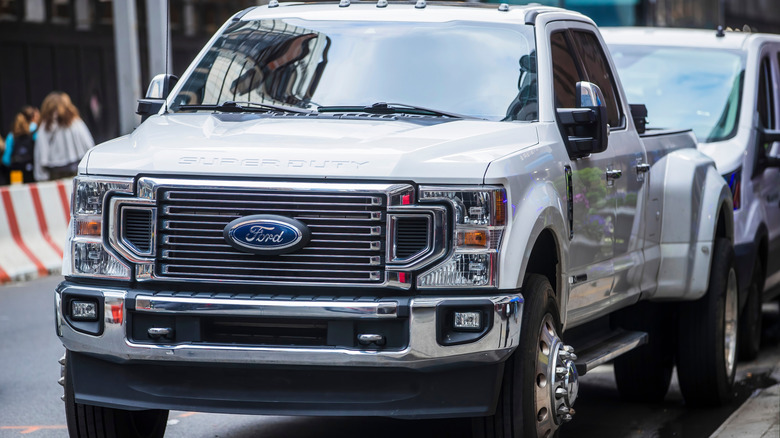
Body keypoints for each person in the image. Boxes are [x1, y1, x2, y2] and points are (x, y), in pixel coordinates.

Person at [34, 92, 94, 181]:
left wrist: (41, 175)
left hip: (54, 171)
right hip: (75, 167)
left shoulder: (45, 126)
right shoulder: (74, 122)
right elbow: (88, 143)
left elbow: (40, 152)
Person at [2, 106, 40, 183]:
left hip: (15, 174)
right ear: (33, 117)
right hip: (32, 172)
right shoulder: (36, 132)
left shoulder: (11, 135)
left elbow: (6, 160)